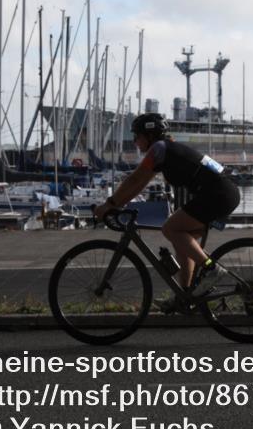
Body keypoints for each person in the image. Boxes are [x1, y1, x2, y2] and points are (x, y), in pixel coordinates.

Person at [93, 113, 240, 313]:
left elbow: (135, 180)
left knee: (170, 228)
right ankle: (185, 296)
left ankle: (211, 268)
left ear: (150, 135)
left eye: (137, 136)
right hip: (221, 193)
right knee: (183, 241)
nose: (135, 141)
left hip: (218, 194)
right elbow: (140, 183)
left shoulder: (159, 149)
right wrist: (117, 204)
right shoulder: (164, 150)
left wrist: (110, 204)